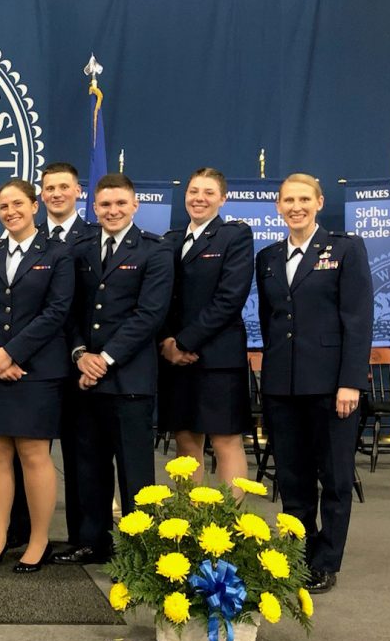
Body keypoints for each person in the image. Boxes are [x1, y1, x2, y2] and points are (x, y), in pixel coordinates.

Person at [256, 173, 372, 594]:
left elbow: (358, 322)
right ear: (278, 206)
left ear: (320, 202)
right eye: (288, 200)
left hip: (331, 386)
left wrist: (350, 382)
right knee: (292, 476)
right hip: (282, 385)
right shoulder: (267, 257)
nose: (296, 206)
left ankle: (326, 561)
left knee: (336, 477)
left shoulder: (345, 249)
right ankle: (299, 554)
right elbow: (274, 323)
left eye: (304, 198)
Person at [0, 178, 74, 573]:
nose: (10, 212)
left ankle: (39, 540)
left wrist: (13, 352)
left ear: (35, 206)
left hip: (38, 369)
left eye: (17, 204)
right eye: (3, 206)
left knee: (33, 454)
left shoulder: (58, 254)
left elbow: (57, 311)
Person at [68, 173, 173, 565]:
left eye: (120, 204)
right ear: (94, 208)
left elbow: (149, 315)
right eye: (105, 204)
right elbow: (72, 310)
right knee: (89, 468)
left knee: (135, 474)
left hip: (128, 378)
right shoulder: (80, 249)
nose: (112, 211)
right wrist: (81, 354)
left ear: (135, 206)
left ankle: (138, 553)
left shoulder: (154, 250)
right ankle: (93, 543)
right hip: (85, 378)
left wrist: (104, 359)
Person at [157, 168, 254, 491]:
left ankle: (232, 529)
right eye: (193, 191)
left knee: (226, 442)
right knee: (185, 443)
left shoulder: (235, 236)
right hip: (175, 360)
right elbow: (158, 299)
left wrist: (183, 341)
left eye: (209, 192)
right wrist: (167, 343)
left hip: (218, 358)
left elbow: (229, 299)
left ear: (223, 199)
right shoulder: (170, 240)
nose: (199, 198)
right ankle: (190, 527)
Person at [36, 162, 95, 565]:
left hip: (83, 363)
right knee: (30, 450)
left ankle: (84, 537)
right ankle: (25, 532)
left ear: (78, 191)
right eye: (49, 188)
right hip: (36, 364)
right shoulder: (27, 237)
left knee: (81, 456)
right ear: (41, 195)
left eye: (63, 187)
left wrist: (84, 353)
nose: (56, 193)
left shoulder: (93, 237)